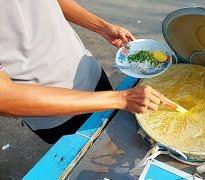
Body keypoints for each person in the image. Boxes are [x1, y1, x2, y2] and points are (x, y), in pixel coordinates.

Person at [0, 0, 163, 144]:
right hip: (54, 110)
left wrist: (103, 27)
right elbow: (5, 98)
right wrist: (122, 98)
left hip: (89, 72)